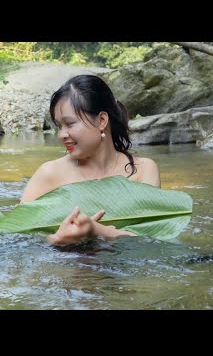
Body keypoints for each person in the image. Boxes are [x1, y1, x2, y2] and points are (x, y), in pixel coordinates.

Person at [21, 75, 160, 246]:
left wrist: (98, 231)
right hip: (63, 268)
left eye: (70, 124)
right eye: (59, 126)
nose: (62, 135)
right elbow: (15, 237)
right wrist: (54, 240)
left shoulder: (143, 170)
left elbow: (153, 239)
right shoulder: (49, 174)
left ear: (102, 121)